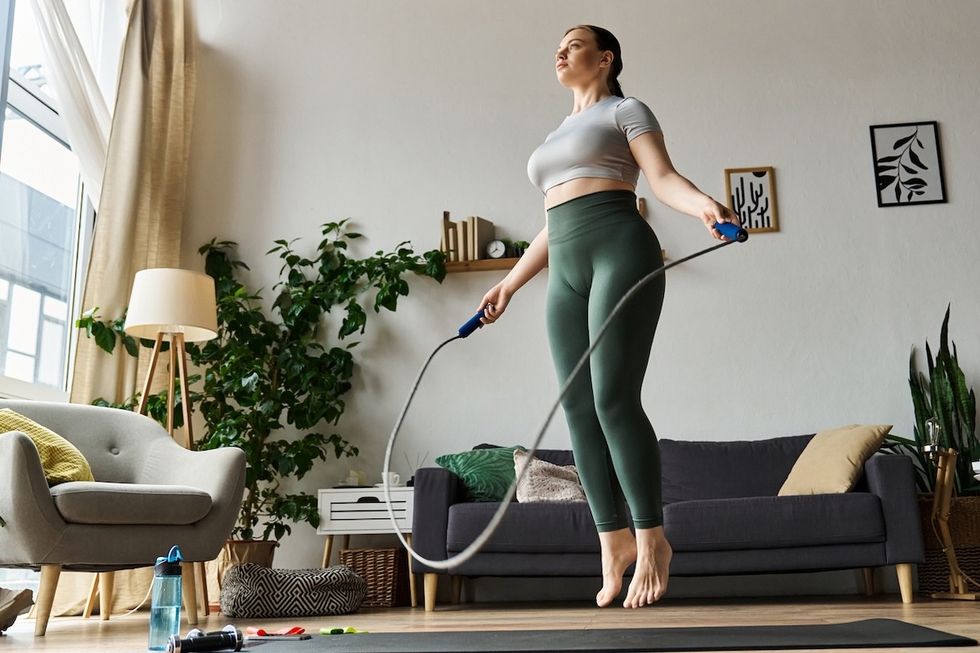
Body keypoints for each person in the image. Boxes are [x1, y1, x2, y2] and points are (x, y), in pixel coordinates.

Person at [477, 24, 741, 609]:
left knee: (612, 397)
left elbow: (663, 177)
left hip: (620, 247)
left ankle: (652, 538)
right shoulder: (555, 136)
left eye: (572, 44)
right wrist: (511, 283)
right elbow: (552, 221)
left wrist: (705, 207)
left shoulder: (626, 110)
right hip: (566, 264)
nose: (560, 51)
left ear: (605, 58)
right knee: (576, 406)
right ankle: (612, 541)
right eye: (559, 46)